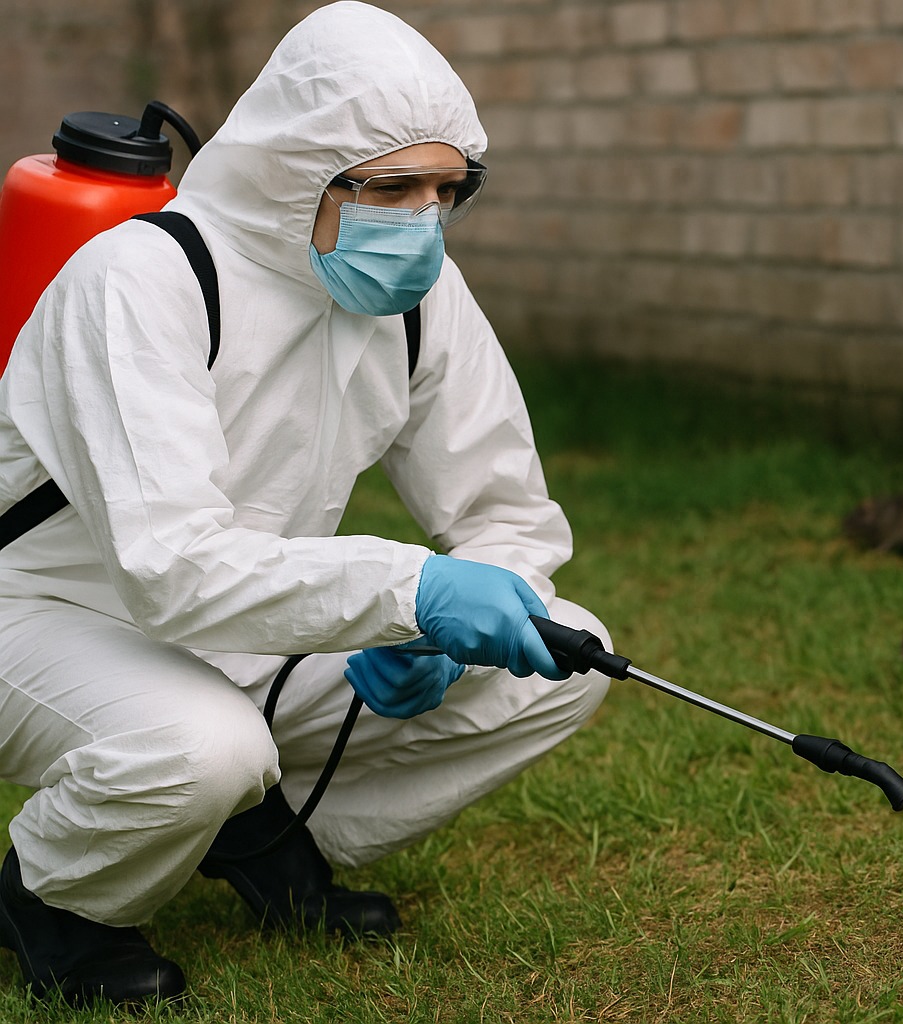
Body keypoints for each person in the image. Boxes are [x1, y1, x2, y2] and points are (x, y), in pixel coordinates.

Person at [0, 1, 610, 1006]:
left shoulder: (418, 296)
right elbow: (170, 566)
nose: (421, 223)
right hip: (46, 619)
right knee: (205, 748)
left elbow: (508, 509)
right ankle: (57, 898)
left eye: (446, 191)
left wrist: (464, 618)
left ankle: (263, 834)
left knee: (563, 651)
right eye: (390, 188)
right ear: (297, 169)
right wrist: (409, 589)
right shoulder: (144, 278)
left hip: (236, 623)